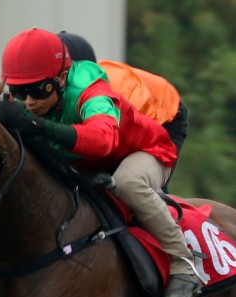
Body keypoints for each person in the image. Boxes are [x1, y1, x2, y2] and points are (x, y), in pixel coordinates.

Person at [0, 27, 202, 297]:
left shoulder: (94, 92)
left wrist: (38, 126)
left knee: (127, 183)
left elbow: (104, 140)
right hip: (97, 155)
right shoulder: (39, 98)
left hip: (146, 148)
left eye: (37, 90)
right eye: (19, 92)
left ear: (62, 78)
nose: (28, 101)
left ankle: (183, 264)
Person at [57, 31, 188, 192]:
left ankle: (166, 212)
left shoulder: (107, 95)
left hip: (167, 117)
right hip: (135, 111)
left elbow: (110, 143)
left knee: (138, 184)